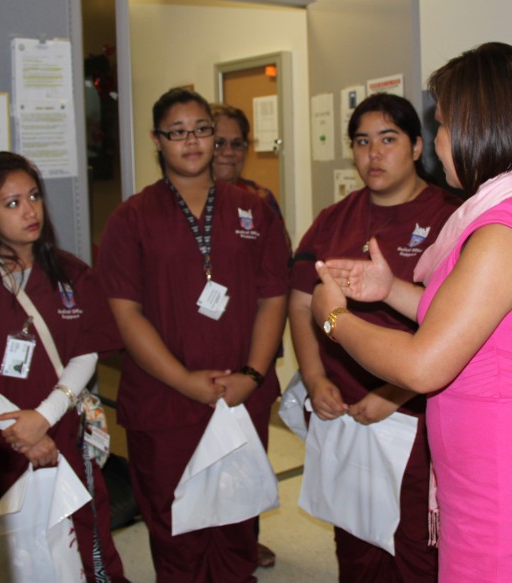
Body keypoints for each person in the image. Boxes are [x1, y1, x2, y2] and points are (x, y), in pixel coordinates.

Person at [311, 42, 512, 582]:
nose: (437, 143)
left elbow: (424, 365)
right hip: (502, 469)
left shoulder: (505, 232)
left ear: (478, 125)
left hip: (509, 485)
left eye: (441, 125)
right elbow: (481, 328)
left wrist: (335, 320)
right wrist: (390, 289)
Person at [98, 88, 289, 582]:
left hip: (241, 398)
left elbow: (274, 297)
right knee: (177, 530)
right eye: (177, 132)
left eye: (201, 129)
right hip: (166, 403)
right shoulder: (130, 220)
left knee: (236, 527)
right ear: (156, 141)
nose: (192, 141)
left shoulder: (255, 210)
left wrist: (251, 373)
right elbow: (126, 313)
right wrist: (184, 381)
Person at [288, 93, 460, 582]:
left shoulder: (449, 216)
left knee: (415, 548)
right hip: (343, 411)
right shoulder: (334, 218)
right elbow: (302, 303)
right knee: (356, 539)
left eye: (388, 140)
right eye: (362, 142)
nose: (374, 154)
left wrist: (394, 393)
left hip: (417, 418)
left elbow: (456, 329)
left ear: (416, 146)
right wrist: (315, 377)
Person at [0, 151, 128, 582]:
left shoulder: (73, 273)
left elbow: (87, 350)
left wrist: (45, 417)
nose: (29, 210)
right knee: (10, 552)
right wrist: (22, 432)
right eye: (11, 203)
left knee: (88, 542)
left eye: (33, 196)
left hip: (65, 433)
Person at [210, 101, 284, 569]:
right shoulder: (169, 204)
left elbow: (276, 280)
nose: (230, 152)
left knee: (249, 455)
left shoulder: (259, 202)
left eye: (239, 143)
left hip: (251, 353)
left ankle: (245, 539)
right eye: (220, 141)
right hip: (198, 356)